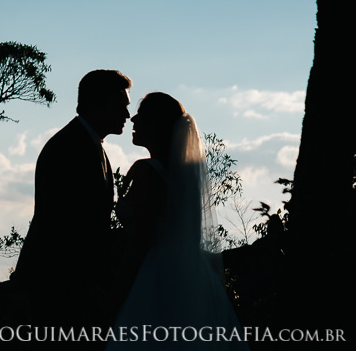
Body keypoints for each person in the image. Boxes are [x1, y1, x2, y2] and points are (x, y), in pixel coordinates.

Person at [109, 93, 248, 349]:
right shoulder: (184, 177)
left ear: (158, 125)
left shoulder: (148, 172)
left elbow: (141, 238)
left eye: (143, 114)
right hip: (192, 275)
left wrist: (119, 290)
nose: (134, 119)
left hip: (154, 276)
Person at [14, 69, 132, 329]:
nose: (127, 114)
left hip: (73, 288)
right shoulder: (67, 148)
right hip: (58, 287)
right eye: (120, 106)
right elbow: (64, 225)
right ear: (96, 104)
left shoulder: (89, 145)